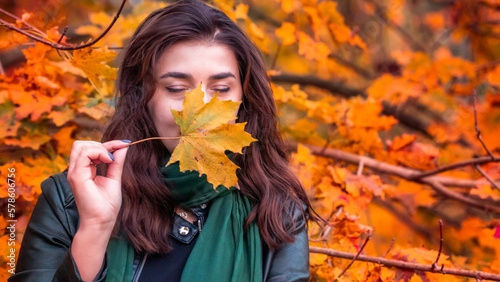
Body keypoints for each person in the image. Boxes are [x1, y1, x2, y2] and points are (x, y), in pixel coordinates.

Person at [9, 0, 315, 281]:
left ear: (243, 101)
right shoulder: (69, 201)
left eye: (221, 90)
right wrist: (95, 228)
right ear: (144, 96)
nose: (201, 107)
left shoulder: (277, 214)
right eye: (177, 88)